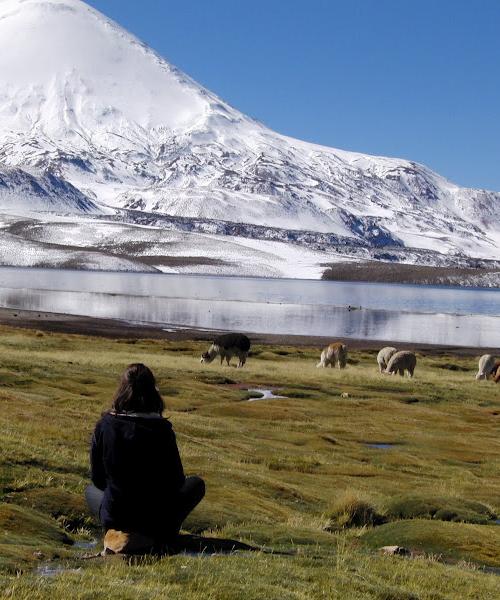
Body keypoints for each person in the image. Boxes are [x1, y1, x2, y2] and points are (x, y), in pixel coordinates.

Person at [85, 363, 205, 551]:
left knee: (91, 491)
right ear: (152, 391)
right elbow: (176, 481)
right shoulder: (162, 430)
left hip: (118, 513)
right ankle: (159, 535)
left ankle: (115, 532)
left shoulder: (105, 425)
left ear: (121, 390)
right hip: (155, 519)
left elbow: (98, 479)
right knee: (196, 484)